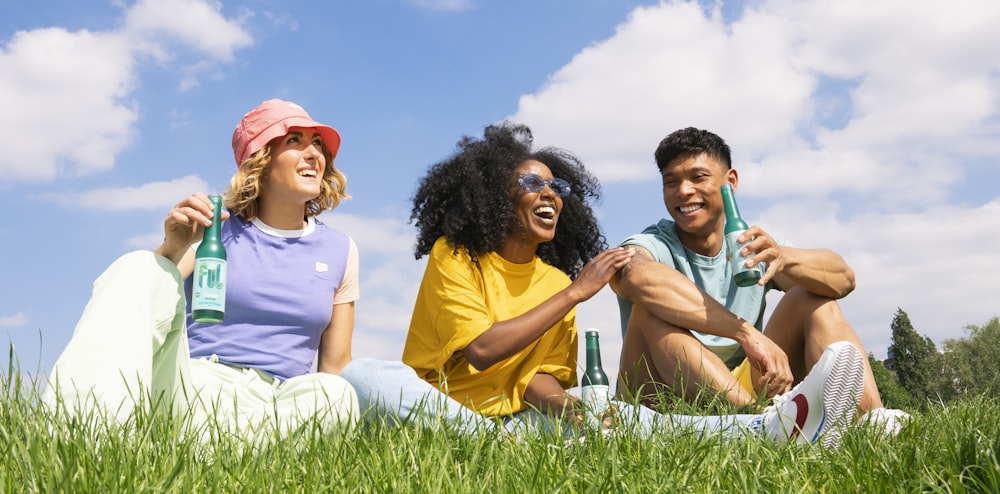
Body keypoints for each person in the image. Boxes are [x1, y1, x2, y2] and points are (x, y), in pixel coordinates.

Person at [343, 123, 866, 448]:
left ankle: (815, 427)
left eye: (557, 186)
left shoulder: (551, 277)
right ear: (494, 196)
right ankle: (761, 423)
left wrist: (578, 411)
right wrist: (576, 293)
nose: (549, 193)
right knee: (366, 373)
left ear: (729, 183)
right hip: (449, 411)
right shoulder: (457, 256)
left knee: (618, 419)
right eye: (531, 183)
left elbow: (532, 382)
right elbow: (481, 352)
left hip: (523, 422)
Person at [43, 99, 360, 442]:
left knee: (336, 394)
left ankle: (216, 456)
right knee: (137, 265)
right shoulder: (213, 228)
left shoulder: (341, 250)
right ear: (261, 162)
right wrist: (173, 247)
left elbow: (335, 366)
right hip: (197, 388)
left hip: (280, 404)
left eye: (317, 143)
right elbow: (145, 296)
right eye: (294, 140)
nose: (313, 152)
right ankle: (77, 437)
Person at [612, 127, 909, 435]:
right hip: (661, 395)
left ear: (731, 182)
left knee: (812, 296)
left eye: (698, 177)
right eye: (671, 182)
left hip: (738, 386)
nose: (684, 191)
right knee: (648, 310)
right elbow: (636, 276)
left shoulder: (749, 244)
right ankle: (759, 424)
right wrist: (745, 333)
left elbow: (843, 280)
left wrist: (785, 257)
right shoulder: (650, 243)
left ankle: (869, 423)